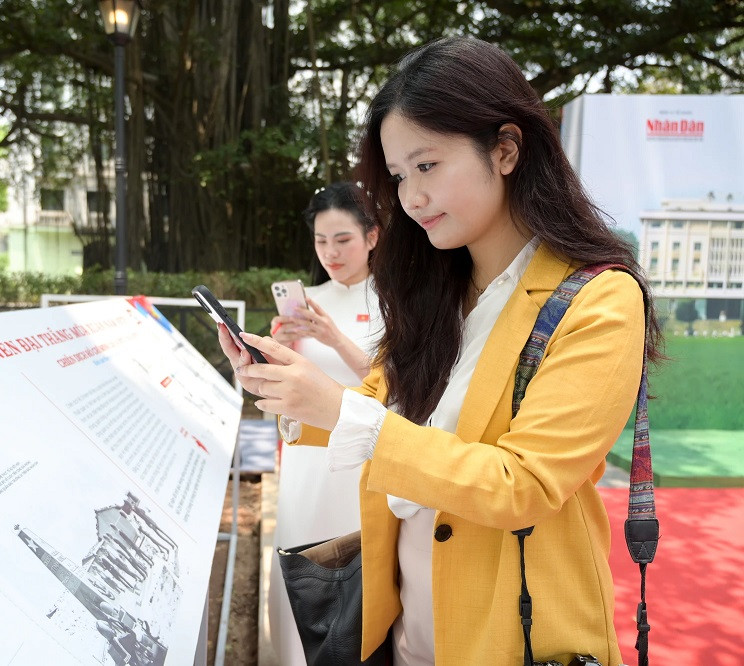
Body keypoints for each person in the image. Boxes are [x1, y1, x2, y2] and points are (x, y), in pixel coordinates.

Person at [221, 37, 661, 665]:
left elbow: (524, 483)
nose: (411, 197)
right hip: (405, 633)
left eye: (427, 166)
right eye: (399, 177)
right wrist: (288, 387)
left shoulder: (598, 300)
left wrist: (344, 415)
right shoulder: (432, 294)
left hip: (514, 636)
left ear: (505, 149)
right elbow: (373, 405)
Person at [266, 182, 383, 665]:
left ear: (372, 236)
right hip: (305, 461)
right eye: (321, 241)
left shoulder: (396, 299)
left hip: (366, 460)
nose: (331, 252)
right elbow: (286, 387)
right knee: (300, 562)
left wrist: (334, 338)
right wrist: (278, 349)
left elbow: (391, 383)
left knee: (356, 579)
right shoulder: (305, 300)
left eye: (343, 239)